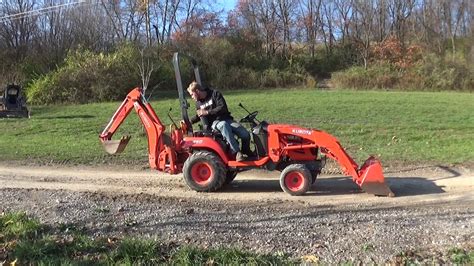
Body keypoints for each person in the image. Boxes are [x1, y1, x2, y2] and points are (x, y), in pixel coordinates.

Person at [187, 81, 251, 161]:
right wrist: (189, 121)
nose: (192, 97)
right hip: (214, 123)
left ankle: (246, 150)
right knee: (223, 125)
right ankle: (236, 152)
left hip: (226, 119)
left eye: (192, 94)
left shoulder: (215, 94)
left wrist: (207, 112)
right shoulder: (198, 103)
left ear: (197, 91)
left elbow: (222, 107)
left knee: (245, 134)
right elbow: (199, 115)